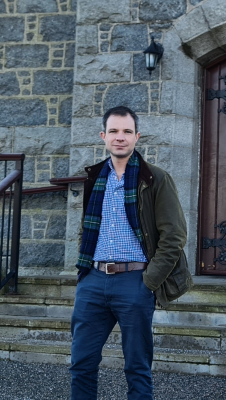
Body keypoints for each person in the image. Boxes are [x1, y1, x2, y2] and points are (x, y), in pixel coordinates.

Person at [69, 105, 193, 400]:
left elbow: (174, 235)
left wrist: (149, 282)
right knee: (81, 363)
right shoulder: (95, 177)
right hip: (93, 280)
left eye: (126, 131)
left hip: (135, 282)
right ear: (103, 136)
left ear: (137, 136)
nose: (120, 137)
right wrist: (84, 272)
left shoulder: (155, 179)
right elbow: (87, 227)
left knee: (137, 367)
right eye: (113, 131)